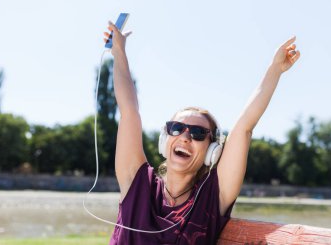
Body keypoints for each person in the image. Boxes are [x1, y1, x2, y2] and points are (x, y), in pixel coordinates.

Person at [103, 22, 300, 245]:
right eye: (176, 128)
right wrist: (119, 52)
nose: (185, 137)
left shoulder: (213, 197)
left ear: (212, 151)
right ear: (165, 139)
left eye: (198, 133)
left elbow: (244, 128)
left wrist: (274, 69)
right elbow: (129, 111)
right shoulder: (137, 183)